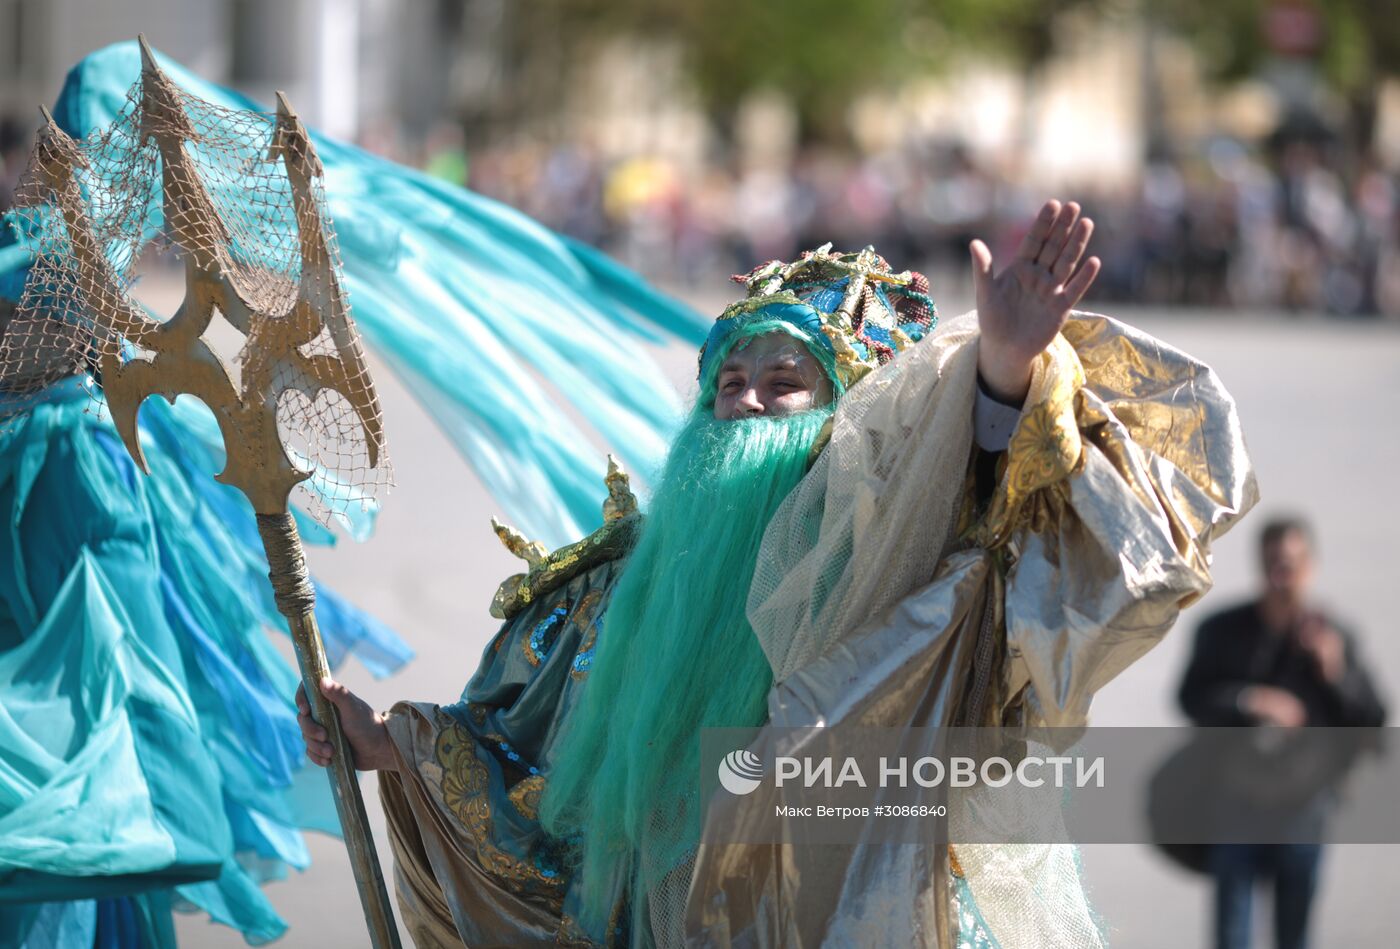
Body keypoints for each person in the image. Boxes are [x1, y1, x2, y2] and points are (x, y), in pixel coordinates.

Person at [299, 201, 1257, 947]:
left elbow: (1004, 545)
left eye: (784, 382)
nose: (747, 403)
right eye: (729, 382)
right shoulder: (619, 591)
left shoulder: (891, 572)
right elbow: (525, 757)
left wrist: (1003, 375)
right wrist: (388, 740)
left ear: (852, 416)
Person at [1178, 517, 1387, 949]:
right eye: (1273, 563)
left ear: (1310, 567)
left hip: (1304, 809)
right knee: (1232, 933)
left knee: (1295, 934)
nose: (1281, 575)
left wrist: (1336, 672)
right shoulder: (1222, 632)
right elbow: (1191, 699)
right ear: (1260, 564)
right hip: (1235, 803)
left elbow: (1371, 721)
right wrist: (1248, 701)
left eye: (1290, 564)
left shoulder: (1334, 637)